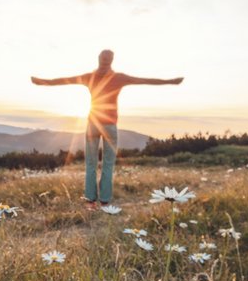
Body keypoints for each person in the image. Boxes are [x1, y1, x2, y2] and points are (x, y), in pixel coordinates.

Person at [31, 50, 183, 208]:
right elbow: (145, 80)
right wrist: (171, 81)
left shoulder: (90, 76)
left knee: (90, 164)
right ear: (112, 60)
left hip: (93, 124)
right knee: (108, 164)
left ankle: (91, 201)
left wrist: (41, 82)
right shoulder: (119, 78)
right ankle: (104, 202)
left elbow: (64, 81)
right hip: (109, 125)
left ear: (99, 59)